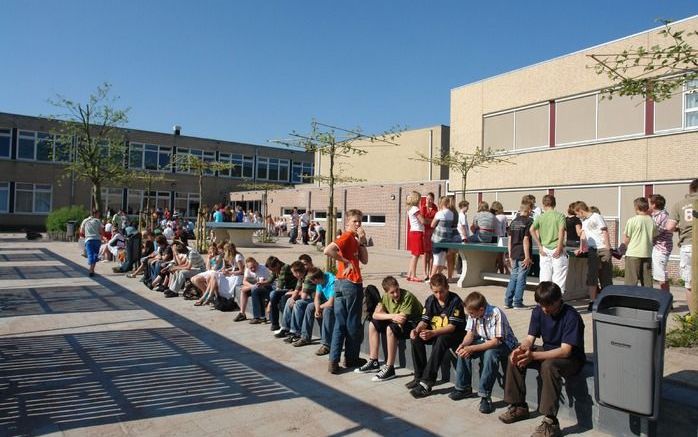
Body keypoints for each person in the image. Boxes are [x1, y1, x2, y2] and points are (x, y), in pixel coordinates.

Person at [499, 282, 585, 437]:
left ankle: (550, 421)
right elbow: (530, 339)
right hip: (548, 350)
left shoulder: (571, 316)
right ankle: (519, 406)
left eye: (548, 305)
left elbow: (565, 351)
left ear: (558, 300)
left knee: (549, 366)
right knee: (515, 356)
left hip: (571, 359)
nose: (545, 309)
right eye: (542, 305)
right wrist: (522, 349)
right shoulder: (539, 311)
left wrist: (534, 356)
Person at [451, 291, 518, 415]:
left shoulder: (496, 313)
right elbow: (470, 334)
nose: (469, 315)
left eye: (471, 313)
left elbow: (496, 342)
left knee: (490, 354)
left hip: (504, 344)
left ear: (481, 309)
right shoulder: (473, 314)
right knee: (463, 351)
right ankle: (463, 387)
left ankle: (485, 396)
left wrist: (472, 349)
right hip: (485, 340)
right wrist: (464, 345)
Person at [324, 209, 369, 374]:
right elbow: (328, 250)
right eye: (355, 221)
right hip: (350, 283)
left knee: (340, 323)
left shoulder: (355, 239)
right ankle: (350, 358)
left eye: (360, 221)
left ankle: (333, 361)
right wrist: (346, 261)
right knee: (351, 323)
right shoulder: (347, 236)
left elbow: (364, 260)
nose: (358, 224)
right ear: (347, 222)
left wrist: (362, 241)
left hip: (341, 284)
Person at [407, 273, 466, 398]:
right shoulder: (430, 300)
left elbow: (452, 327)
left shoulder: (455, 301)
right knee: (416, 338)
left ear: (447, 288)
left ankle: (427, 383)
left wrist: (432, 333)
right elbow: (424, 321)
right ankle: (419, 376)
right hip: (435, 331)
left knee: (441, 339)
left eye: (442, 291)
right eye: (435, 292)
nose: (439, 295)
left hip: (454, 335)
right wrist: (417, 330)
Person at [355, 276, 423, 382]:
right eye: (392, 292)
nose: (396, 294)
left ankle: (390, 368)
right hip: (396, 321)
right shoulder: (385, 297)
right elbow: (375, 315)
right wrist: (392, 316)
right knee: (373, 324)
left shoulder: (407, 296)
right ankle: (374, 361)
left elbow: (401, 320)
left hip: (414, 324)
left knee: (390, 329)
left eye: (397, 290)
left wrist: (388, 316)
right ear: (386, 293)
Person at [574, 201, 612, 310]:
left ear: (581, 211)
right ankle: (592, 301)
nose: (577, 216)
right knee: (592, 276)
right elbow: (584, 236)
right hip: (592, 250)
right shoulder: (584, 221)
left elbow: (604, 231)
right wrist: (581, 249)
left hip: (602, 248)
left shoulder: (596, 216)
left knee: (605, 276)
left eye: (578, 213)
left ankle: (607, 300)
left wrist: (608, 248)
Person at [667, 179, 697, 314]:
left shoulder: (680, 204)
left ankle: (694, 316)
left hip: (688, 246)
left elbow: (669, 227)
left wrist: (680, 227)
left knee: (689, 284)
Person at [531, 195, 568, 293]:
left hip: (544, 249)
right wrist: (559, 247)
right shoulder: (560, 216)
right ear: (554, 203)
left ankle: (543, 299)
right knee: (559, 277)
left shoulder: (540, 217)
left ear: (543, 204)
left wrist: (539, 246)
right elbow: (561, 232)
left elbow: (531, 230)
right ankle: (557, 300)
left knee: (544, 276)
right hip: (557, 248)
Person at [622, 197, 657, 287]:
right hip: (647, 253)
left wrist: (622, 248)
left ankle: (630, 299)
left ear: (636, 208)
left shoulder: (632, 220)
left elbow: (627, 238)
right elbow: (654, 237)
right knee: (647, 282)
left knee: (631, 281)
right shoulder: (652, 221)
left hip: (633, 254)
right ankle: (648, 299)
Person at [504, 203, 533, 309]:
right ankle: (517, 302)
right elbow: (526, 239)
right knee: (521, 278)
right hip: (522, 252)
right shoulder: (529, 221)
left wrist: (510, 254)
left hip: (514, 251)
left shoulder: (513, 222)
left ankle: (508, 301)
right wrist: (527, 256)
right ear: (529, 211)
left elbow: (510, 240)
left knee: (514, 276)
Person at [234, 257, 272, 322]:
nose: (253, 269)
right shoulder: (247, 269)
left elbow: (264, 283)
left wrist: (253, 287)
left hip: (266, 287)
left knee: (255, 290)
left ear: (257, 263)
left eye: (254, 266)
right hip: (256, 285)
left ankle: (257, 317)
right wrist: (252, 286)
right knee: (244, 290)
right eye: (251, 268)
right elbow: (244, 281)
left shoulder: (263, 269)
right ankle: (242, 313)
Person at [649, 194, 673, 292]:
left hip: (661, 248)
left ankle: (666, 299)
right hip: (658, 247)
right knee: (660, 275)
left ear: (654, 205)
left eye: (649, 203)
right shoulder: (656, 216)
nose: (648, 205)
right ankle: (666, 298)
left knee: (661, 275)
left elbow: (654, 233)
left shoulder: (661, 216)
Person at [430, 196, 455, 278]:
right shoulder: (451, 214)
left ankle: (432, 277)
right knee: (442, 259)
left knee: (436, 259)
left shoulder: (440, 213)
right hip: (447, 238)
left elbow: (432, 225)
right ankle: (439, 276)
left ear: (441, 203)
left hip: (438, 238)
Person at [406, 191, 425, 282]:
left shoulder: (410, 209)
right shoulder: (415, 209)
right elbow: (422, 221)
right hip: (417, 232)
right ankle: (413, 275)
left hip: (413, 232)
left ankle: (409, 274)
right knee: (416, 255)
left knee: (414, 254)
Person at [79, 209, 103, 277]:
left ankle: (91, 269)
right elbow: (101, 231)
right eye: (98, 214)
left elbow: (82, 231)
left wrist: (87, 233)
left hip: (88, 240)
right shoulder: (98, 221)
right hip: (97, 240)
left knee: (90, 254)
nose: (99, 215)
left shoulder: (85, 220)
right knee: (95, 254)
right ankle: (91, 269)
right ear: (96, 214)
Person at [422, 193, 438, 281]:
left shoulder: (435, 208)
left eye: (431, 199)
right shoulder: (423, 208)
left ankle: (430, 272)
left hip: (433, 232)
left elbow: (437, 220)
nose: (429, 201)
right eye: (427, 199)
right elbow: (423, 221)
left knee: (431, 253)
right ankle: (424, 273)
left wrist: (429, 221)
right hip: (425, 232)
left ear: (433, 199)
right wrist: (431, 221)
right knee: (425, 253)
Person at [492, 201, 509, 274]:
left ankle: (498, 271)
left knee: (497, 257)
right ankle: (503, 271)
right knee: (501, 257)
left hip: (494, 237)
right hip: (502, 236)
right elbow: (505, 228)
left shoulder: (493, 217)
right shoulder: (504, 216)